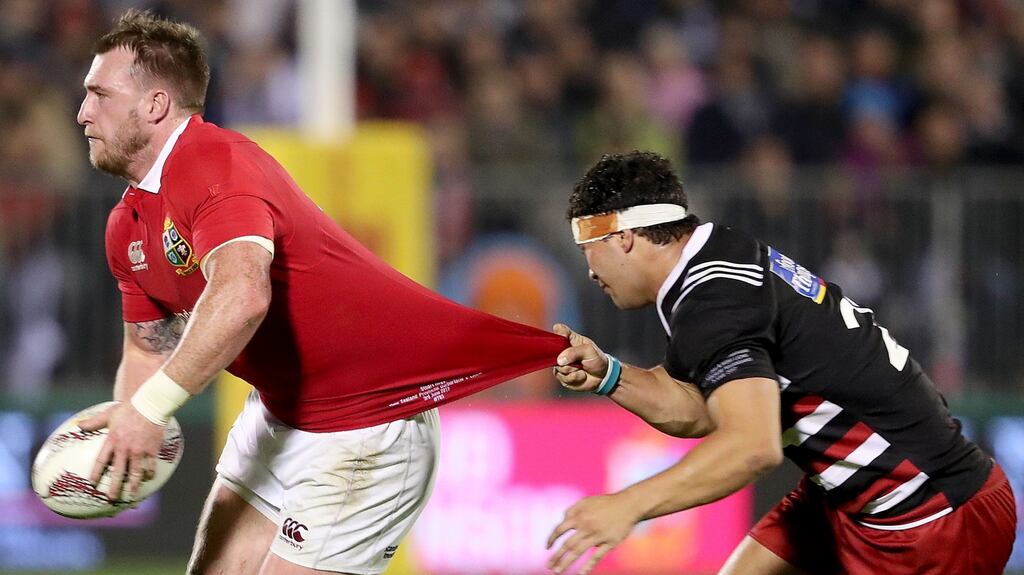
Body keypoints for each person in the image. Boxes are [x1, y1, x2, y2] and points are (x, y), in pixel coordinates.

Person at [74, 10, 565, 575]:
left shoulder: (214, 163)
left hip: (367, 421)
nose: (83, 113)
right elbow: (147, 347)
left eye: (99, 94)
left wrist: (151, 410)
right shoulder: (127, 223)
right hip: (282, 412)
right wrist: (130, 428)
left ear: (155, 105)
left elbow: (243, 296)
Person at [547, 150, 1016, 575]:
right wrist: (609, 374)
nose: (589, 270)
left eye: (590, 248)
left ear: (624, 237)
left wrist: (627, 505)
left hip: (931, 515)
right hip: (855, 498)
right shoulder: (710, 259)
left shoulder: (714, 298)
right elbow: (696, 408)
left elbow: (753, 446)